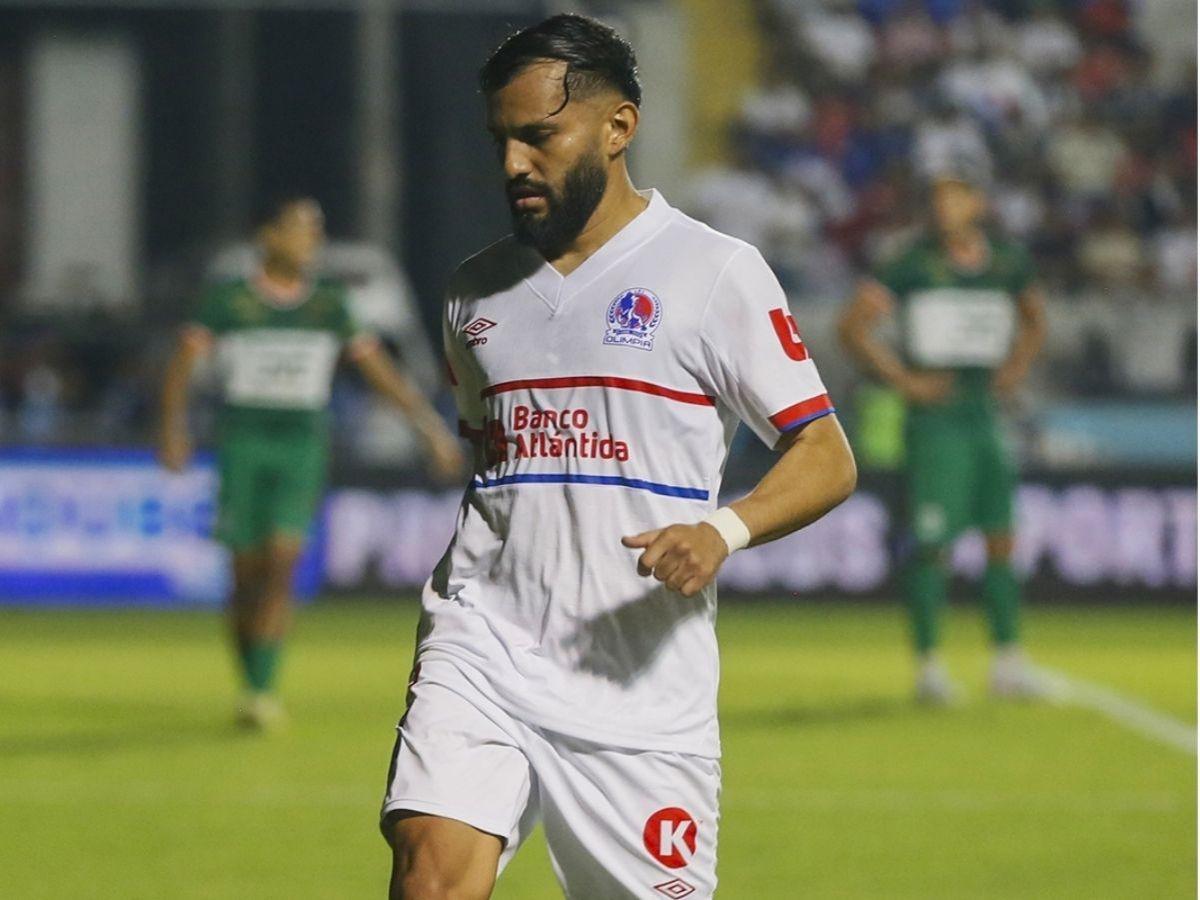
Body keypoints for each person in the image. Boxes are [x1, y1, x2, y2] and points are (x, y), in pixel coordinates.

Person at [380, 15, 857, 899]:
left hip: (636, 684)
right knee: (431, 879)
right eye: (502, 140)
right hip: (482, 645)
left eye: (539, 136)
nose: (514, 163)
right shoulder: (472, 293)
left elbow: (825, 454)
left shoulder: (714, 273)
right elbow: (496, 471)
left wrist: (723, 530)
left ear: (617, 127)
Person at [159, 196, 463, 729]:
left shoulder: (328, 304)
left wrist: (430, 428)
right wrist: (173, 429)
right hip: (244, 439)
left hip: (301, 441)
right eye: (299, 231)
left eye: (315, 232)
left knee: (280, 561)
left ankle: (260, 691)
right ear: (269, 238)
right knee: (244, 573)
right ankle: (250, 672)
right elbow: (182, 365)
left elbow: (379, 371)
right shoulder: (230, 300)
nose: (310, 243)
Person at [838, 169, 1047, 705]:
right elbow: (851, 327)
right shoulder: (911, 264)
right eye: (936, 200)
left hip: (985, 412)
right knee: (933, 542)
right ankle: (929, 667)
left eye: (953, 197)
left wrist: (1018, 365)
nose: (943, 209)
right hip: (935, 420)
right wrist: (904, 380)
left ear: (976, 202)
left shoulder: (1004, 260)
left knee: (1001, 534)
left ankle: (1008, 661)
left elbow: (1034, 317)